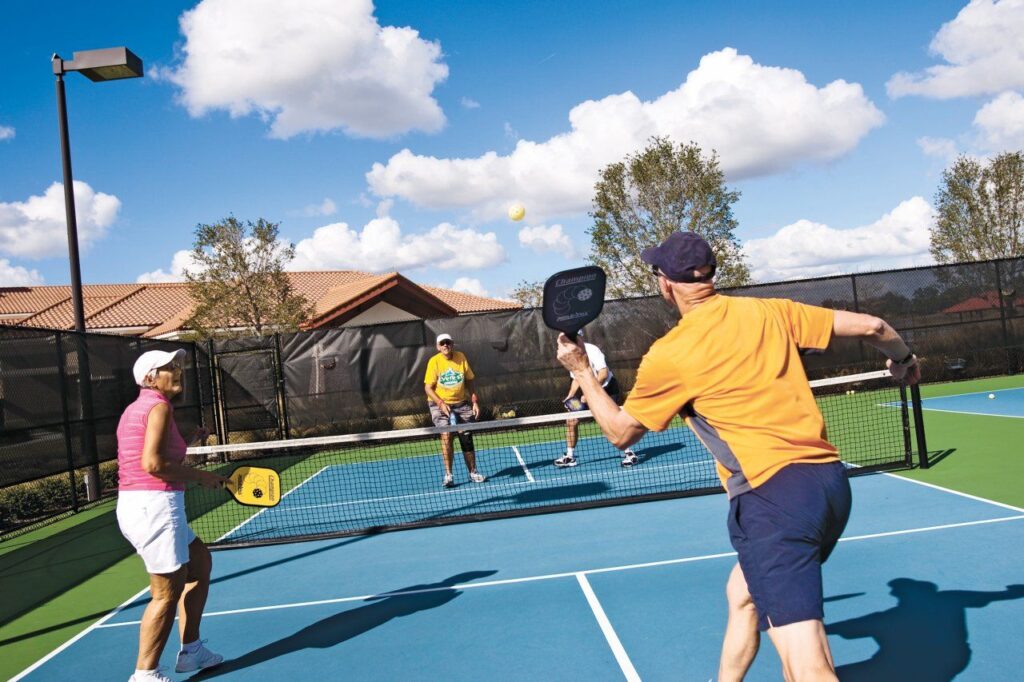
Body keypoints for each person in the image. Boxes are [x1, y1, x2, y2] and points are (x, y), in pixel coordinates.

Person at [555, 231, 921, 682]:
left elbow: (619, 432)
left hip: (773, 500)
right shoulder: (771, 311)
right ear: (709, 275)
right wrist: (905, 362)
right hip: (829, 485)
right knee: (744, 594)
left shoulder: (671, 354)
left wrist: (581, 372)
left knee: (808, 669)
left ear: (665, 284)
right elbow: (874, 328)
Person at [116, 349, 227, 682]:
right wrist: (203, 477)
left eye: (178, 366)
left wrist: (190, 440)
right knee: (166, 593)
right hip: (153, 506)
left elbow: (151, 455)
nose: (177, 371)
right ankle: (145, 673)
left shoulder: (140, 408)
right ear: (150, 377)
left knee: (200, 562)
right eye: (168, 367)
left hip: (149, 504)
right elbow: (153, 465)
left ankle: (191, 650)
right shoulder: (158, 407)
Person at [553, 329, 639, 468]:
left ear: (579, 338)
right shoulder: (571, 355)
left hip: (607, 388)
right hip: (588, 388)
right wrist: (570, 395)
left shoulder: (593, 350)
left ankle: (629, 453)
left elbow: (603, 373)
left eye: (572, 338)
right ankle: (569, 456)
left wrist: (590, 393)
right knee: (571, 421)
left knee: (614, 423)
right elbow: (576, 379)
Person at [424, 333, 486, 488]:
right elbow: (428, 388)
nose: (445, 345)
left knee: (466, 436)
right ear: (438, 347)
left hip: (461, 404)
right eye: (442, 343)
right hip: (438, 403)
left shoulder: (461, 357)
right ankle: (448, 475)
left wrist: (474, 401)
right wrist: (440, 403)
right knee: (446, 435)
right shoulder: (434, 362)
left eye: (448, 343)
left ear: (452, 344)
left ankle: (473, 472)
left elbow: (470, 380)